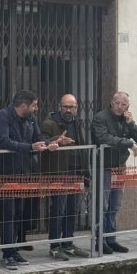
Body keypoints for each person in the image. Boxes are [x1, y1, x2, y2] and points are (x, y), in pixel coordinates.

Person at [0, 90, 61, 270]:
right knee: (8, 214)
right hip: (4, 174)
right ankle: (8, 254)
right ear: (23, 105)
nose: (36, 108)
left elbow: (38, 138)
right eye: (34, 105)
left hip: (24, 173)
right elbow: (3, 142)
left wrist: (48, 144)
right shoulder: (3, 117)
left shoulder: (30, 119)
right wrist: (30, 147)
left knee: (19, 213)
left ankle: (14, 250)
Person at [91, 91, 137, 254]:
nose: (120, 107)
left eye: (124, 105)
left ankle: (111, 239)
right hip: (103, 166)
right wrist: (128, 143)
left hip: (119, 167)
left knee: (114, 205)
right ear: (111, 102)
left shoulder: (125, 119)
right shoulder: (100, 118)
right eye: (117, 103)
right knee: (102, 205)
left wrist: (131, 124)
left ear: (128, 106)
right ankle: (100, 241)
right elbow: (103, 137)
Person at [41, 94, 91, 261]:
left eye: (72, 107)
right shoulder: (49, 123)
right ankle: (55, 246)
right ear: (59, 107)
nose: (69, 110)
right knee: (58, 209)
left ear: (77, 108)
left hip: (76, 172)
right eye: (66, 107)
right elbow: (41, 141)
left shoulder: (77, 122)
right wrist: (56, 140)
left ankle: (68, 243)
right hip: (59, 173)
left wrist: (85, 173)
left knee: (72, 209)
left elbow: (82, 147)